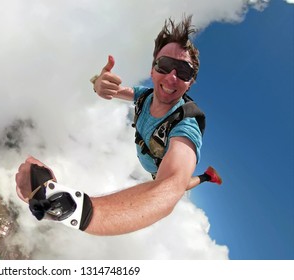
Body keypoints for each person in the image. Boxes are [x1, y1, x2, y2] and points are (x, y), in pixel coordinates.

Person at [15, 16, 221, 236]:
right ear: (152, 70)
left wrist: (66, 207)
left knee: (181, 186)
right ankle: (206, 176)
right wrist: (98, 83)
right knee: (177, 182)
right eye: (165, 65)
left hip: (158, 172)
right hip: (153, 164)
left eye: (183, 72)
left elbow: (168, 188)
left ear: (190, 83)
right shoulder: (144, 96)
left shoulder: (186, 125)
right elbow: (116, 90)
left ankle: (207, 177)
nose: (172, 77)